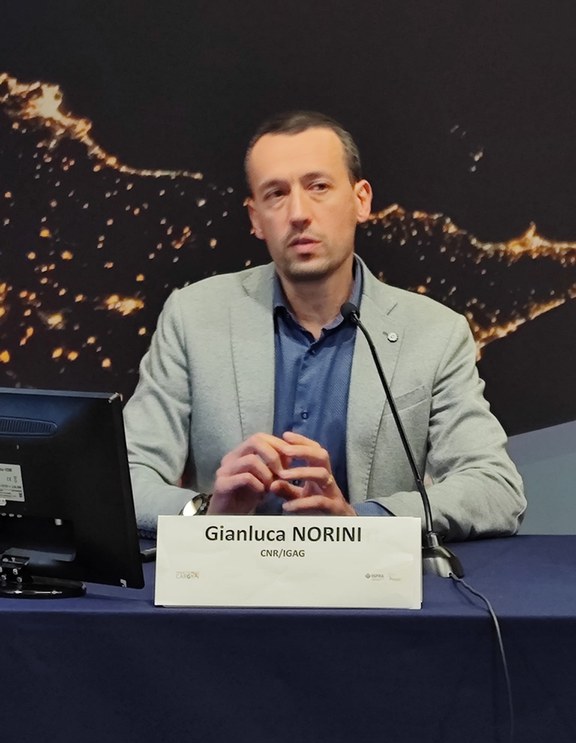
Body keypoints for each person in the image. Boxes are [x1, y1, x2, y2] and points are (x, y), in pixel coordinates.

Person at [124, 110, 526, 540]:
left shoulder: (435, 333)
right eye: (276, 194)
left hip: (366, 579)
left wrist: (359, 522)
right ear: (255, 218)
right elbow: (126, 474)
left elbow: (495, 488)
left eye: (318, 186)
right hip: (228, 574)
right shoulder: (192, 317)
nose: (298, 213)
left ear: (361, 200)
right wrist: (206, 515)